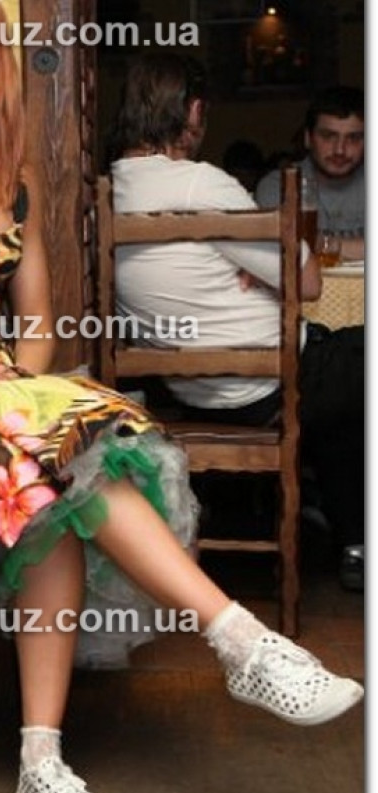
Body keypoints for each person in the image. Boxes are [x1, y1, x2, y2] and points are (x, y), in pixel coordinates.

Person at [0, 4, 357, 793]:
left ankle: (43, 761)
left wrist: (18, 385)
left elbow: (40, 321)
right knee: (47, 469)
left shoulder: (12, 177)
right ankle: (239, 640)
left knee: (54, 485)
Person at [111, 54, 364, 585]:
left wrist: (248, 264)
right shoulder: (200, 183)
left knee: (346, 388)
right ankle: (353, 539)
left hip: (192, 388)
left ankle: (353, 539)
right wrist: (259, 267)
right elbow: (309, 282)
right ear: (193, 111)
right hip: (269, 384)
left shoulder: (111, 189)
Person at [255, 85, 364, 261]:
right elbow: (278, 250)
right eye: (328, 136)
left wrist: (321, 244)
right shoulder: (279, 185)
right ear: (308, 138)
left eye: (353, 138)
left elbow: (301, 245)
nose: (340, 150)